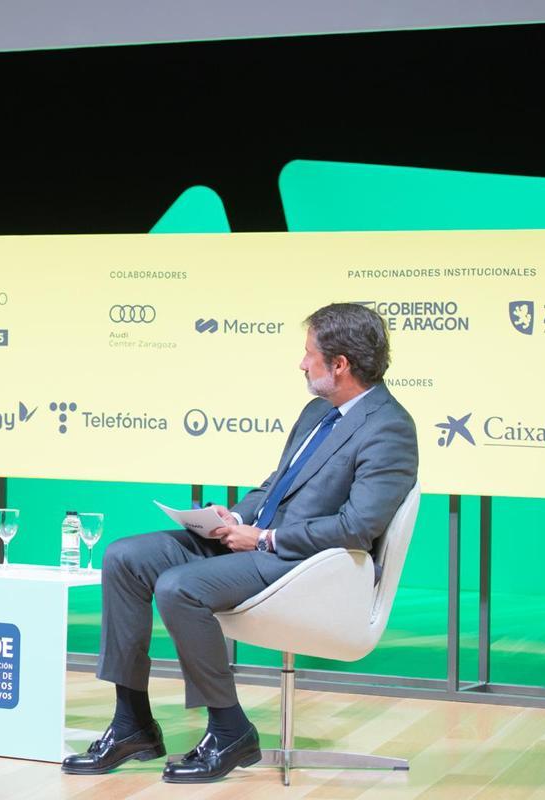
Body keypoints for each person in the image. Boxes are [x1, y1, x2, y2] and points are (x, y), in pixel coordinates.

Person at [63, 302, 418, 783]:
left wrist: (266, 538)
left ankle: (229, 729)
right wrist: (235, 518)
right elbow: (276, 485)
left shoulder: (389, 427)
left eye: (309, 353)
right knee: (125, 557)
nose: (301, 363)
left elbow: (358, 526)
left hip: (305, 565)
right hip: (261, 542)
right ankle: (133, 724)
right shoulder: (319, 410)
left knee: (178, 587)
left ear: (341, 364)